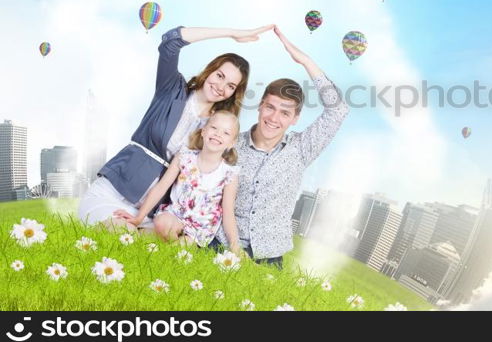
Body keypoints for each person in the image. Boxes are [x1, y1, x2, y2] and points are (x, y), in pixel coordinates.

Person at [78, 24, 274, 231]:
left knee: (150, 247)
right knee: (121, 233)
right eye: (220, 76)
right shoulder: (172, 90)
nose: (221, 87)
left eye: (231, 86)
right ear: (209, 71)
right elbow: (169, 43)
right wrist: (232, 32)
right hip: (116, 189)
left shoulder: (215, 127)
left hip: (153, 211)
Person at [209, 26, 349, 269]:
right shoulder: (230, 143)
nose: (274, 118)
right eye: (270, 107)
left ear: (295, 118)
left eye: (285, 113)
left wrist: (304, 61)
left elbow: (338, 110)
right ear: (260, 106)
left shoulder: (302, 149)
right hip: (219, 244)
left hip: (269, 257)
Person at [113, 111, 241, 251]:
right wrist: (139, 217)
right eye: (214, 128)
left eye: (226, 133)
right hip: (175, 216)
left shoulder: (229, 174)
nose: (218, 134)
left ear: (232, 143)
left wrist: (235, 244)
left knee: (185, 246)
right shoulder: (184, 157)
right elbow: (161, 187)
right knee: (161, 222)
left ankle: (164, 246)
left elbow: (228, 213)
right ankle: (156, 239)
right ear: (203, 131)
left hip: (198, 231)